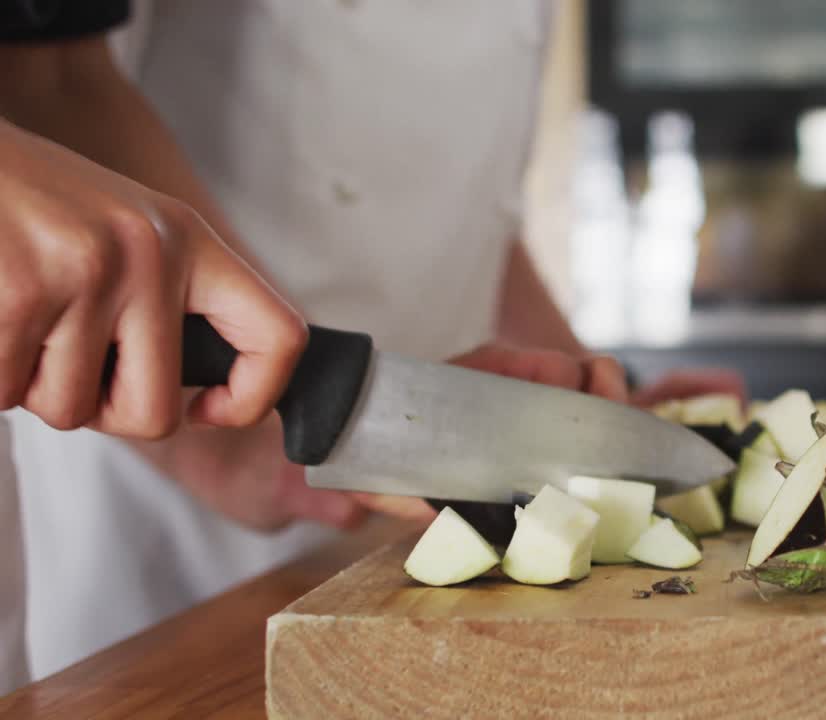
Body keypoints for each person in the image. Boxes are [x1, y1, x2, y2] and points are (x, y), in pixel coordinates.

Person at [0, 0, 743, 685]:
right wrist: (239, 449)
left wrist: (588, 403)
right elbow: (51, 77)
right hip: (190, 517)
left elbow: (468, 205)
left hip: (404, 472)